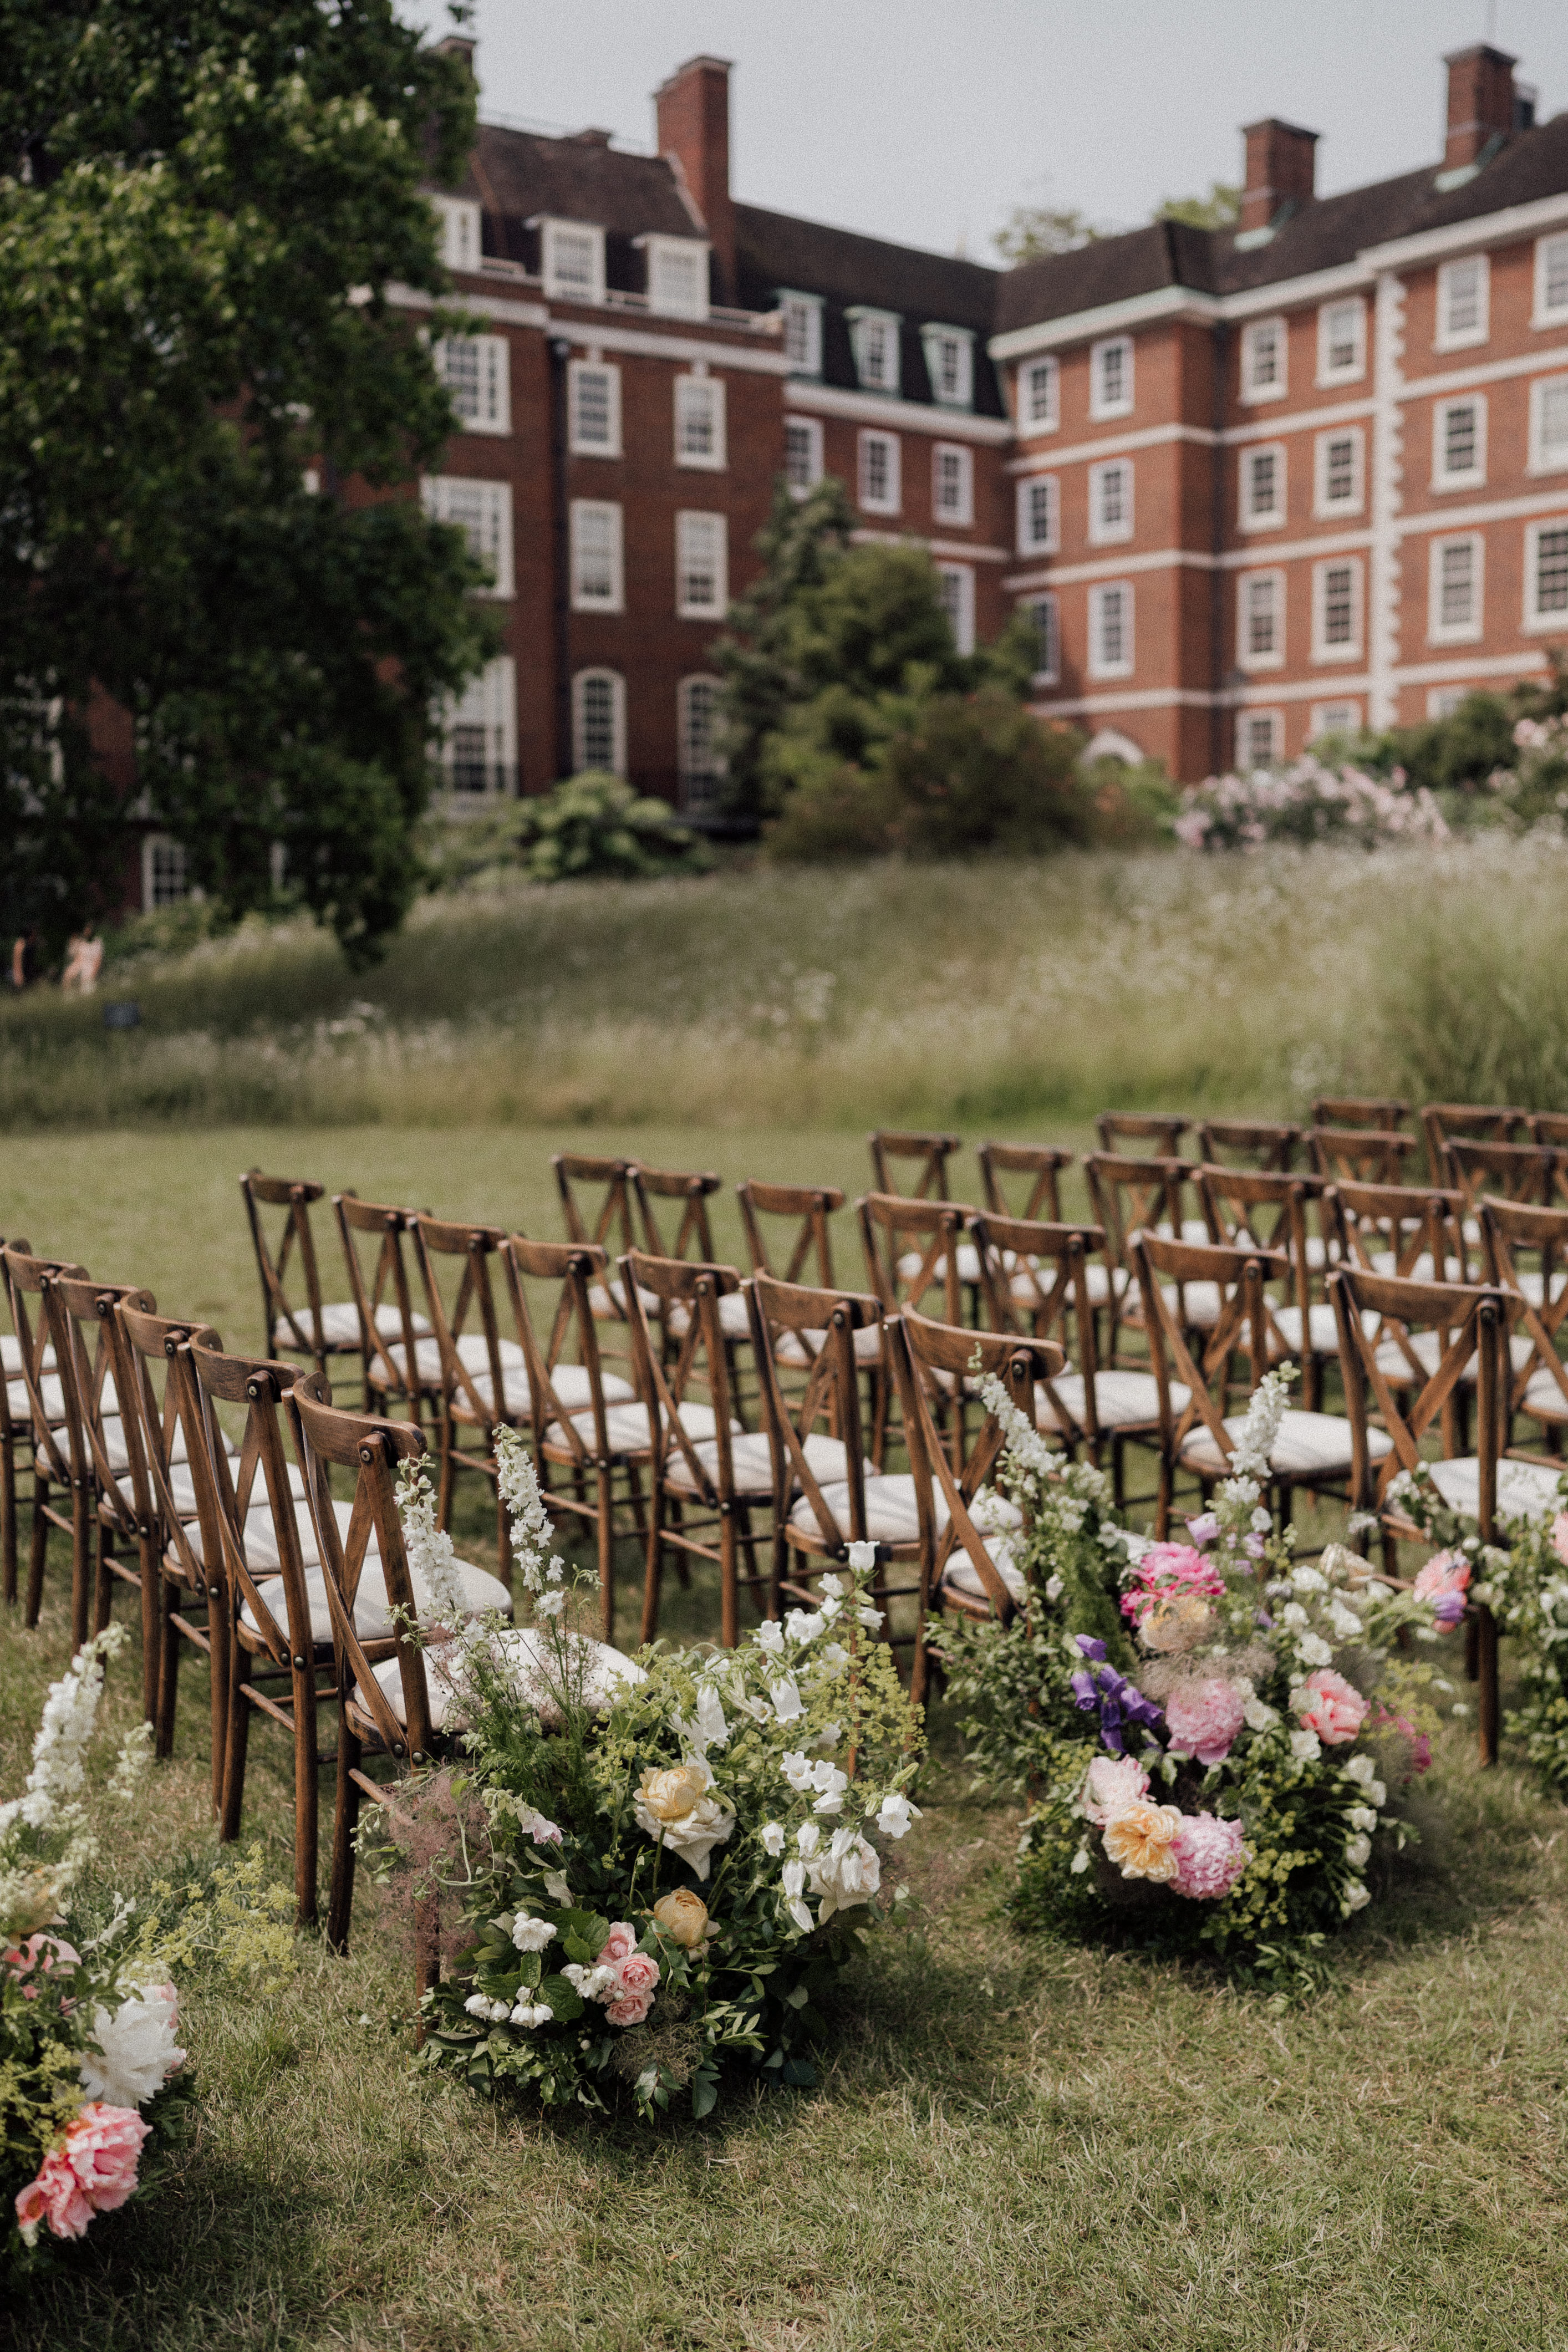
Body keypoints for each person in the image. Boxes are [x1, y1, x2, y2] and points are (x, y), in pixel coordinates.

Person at [61, 923, 104, 995]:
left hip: (91, 965)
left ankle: (86, 994)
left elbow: (98, 960)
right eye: (86, 931)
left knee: (86, 986)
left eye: (89, 930)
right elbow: (75, 956)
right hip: (80, 963)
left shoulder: (97, 942)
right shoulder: (81, 942)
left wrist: (93, 974)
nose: (87, 932)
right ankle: (69, 996)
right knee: (68, 974)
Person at [9, 926, 39, 990]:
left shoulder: (31, 945)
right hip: (20, 976)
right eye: (34, 934)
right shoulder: (20, 944)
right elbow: (17, 962)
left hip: (28, 974)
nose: (36, 936)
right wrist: (19, 977)